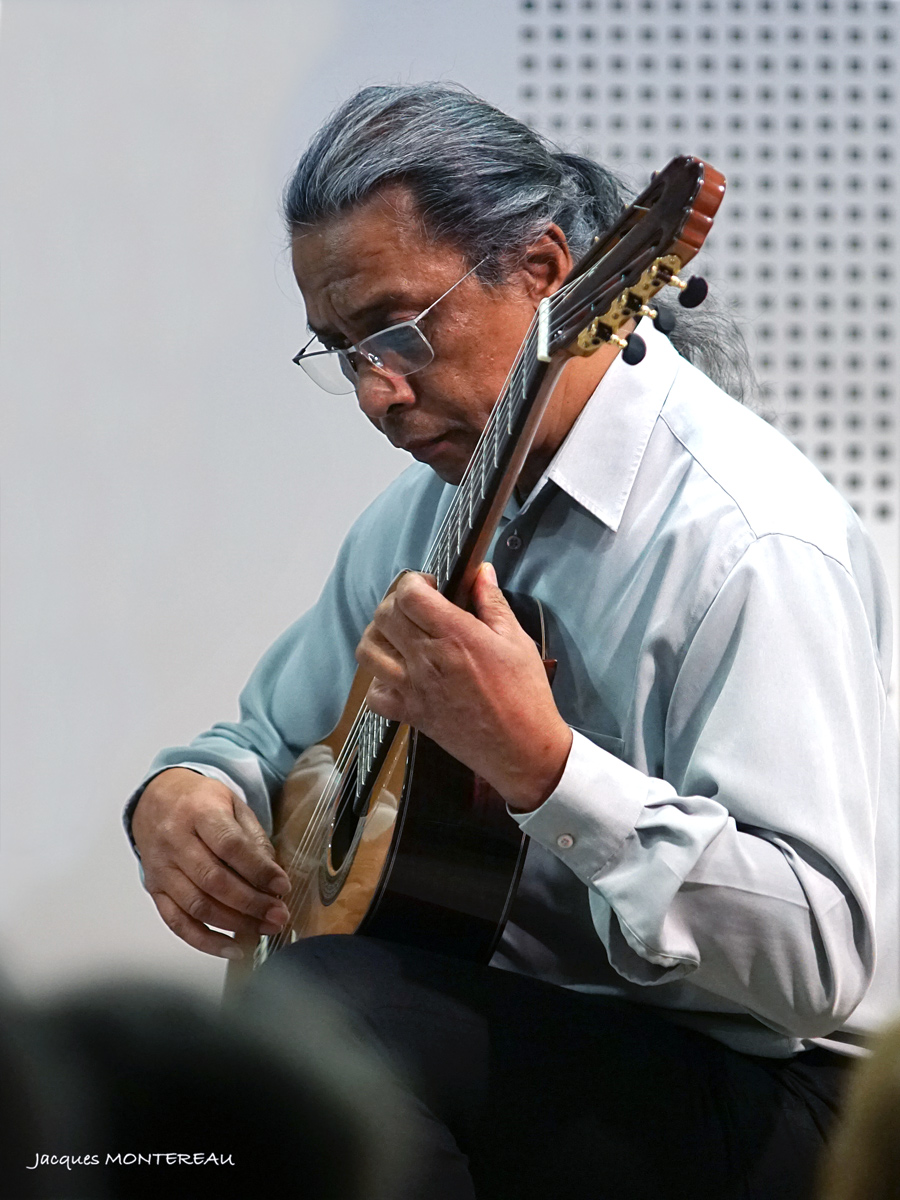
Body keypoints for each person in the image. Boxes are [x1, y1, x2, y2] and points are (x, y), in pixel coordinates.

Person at [126, 84, 898, 1199]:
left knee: (339, 1020)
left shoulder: (750, 540)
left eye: (398, 328)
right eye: (343, 352)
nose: (377, 394)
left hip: (781, 1094)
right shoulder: (427, 513)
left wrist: (547, 771)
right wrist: (181, 799)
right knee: (218, 1073)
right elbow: (262, 739)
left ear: (543, 272)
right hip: (544, 1040)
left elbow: (817, 966)